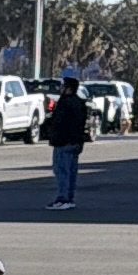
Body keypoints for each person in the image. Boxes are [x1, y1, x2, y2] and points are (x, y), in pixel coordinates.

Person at [44, 71, 97, 206]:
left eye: (63, 86)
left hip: (64, 141)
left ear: (68, 88)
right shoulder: (79, 103)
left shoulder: (65, 103)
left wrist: (52, 127)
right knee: (71, 171)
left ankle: (63, 198)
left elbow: (60, 122)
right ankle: (69, 198)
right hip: (75, 141)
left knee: (62, 170)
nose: (61, 89)